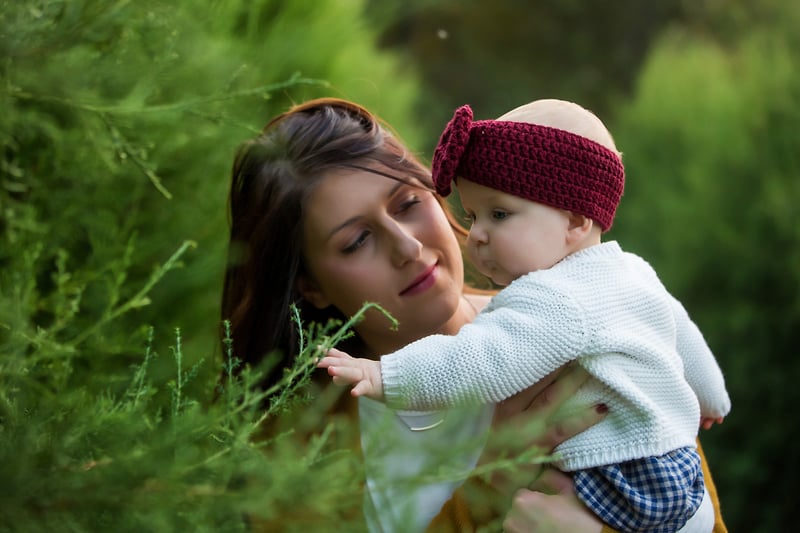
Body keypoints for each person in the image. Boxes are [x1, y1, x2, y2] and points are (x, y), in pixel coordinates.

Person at [222, 97, 728, 533]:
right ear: (310, 285)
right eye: (356, 241)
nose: (408, 246)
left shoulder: (593, 332)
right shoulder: (295, 451)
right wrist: (489, 487)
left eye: (407, 204)